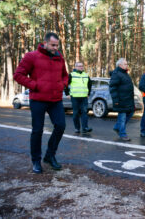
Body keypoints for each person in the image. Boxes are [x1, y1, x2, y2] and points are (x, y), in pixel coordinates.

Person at [13, 32, 68, 174]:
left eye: (57, 45)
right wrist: (35, 85)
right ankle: (36, 161)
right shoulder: (31, 56)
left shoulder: (59, 57)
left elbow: (65, 75)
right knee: (37, 130)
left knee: (61, 126)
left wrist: (62, 84)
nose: (56, 48)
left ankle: (50, 155)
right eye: (53, 45)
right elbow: (18, 75)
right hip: (38, 99)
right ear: (45, 43)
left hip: (55, 100)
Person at [110, 58, 135, 142]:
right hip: (121, 100)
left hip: (128, 100)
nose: (127, 65)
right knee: (122, 117)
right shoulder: (116, 74)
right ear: (120, 65)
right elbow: (112, 88)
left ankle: (117, 127)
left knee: (130, 113)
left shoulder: (125, 73)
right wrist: (116, 100)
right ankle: (123, 134)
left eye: (126, 64)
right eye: (125, 64)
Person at [66, 62, 92, 134]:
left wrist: (88, 93)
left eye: (82, 66)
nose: (81, 67)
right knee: (76, 113)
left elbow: (90, 85)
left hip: (84, 97)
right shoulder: (71, 75)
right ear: (76, 67)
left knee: (84, 112)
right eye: (79, 66)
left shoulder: (86, 75)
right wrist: (67, 94)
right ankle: (77, 128)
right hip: (75, 97)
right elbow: (65, 84)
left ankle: (85, 128)